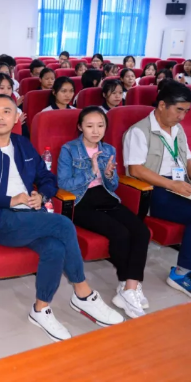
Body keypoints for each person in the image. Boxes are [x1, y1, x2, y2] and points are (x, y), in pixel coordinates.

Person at [0, 94, 123, 342]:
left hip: (30, 214)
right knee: (63, 224)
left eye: (6, 111)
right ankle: (83, 293)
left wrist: (41, 194)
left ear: (16, 118)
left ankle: (40, 309)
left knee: (55, 247)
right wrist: (8, 200)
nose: (0, 117)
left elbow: (46, 178)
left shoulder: (22, 144)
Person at [123, 81, 191, 298]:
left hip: (181, 184)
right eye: (179, 110)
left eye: (186, 111)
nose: (182, 116)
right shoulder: (138, 131)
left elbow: (189, 158)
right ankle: (182, 273)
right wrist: (171, 184)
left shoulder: (178, 129)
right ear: (162, 105)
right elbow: (136, 169)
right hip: (155, 190)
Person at [58, 107, 151, 318]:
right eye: (89, 126)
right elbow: (64, 184)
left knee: (141, 231)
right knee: (121, 233)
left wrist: (108, 175)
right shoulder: (69, 149)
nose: (95, 131)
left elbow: (113, 185)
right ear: (80, 127)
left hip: (105, 196)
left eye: (100, 126)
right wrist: (91, 172)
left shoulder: (108, 149)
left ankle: (129, 287)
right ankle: (127, 286)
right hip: (80, 201)